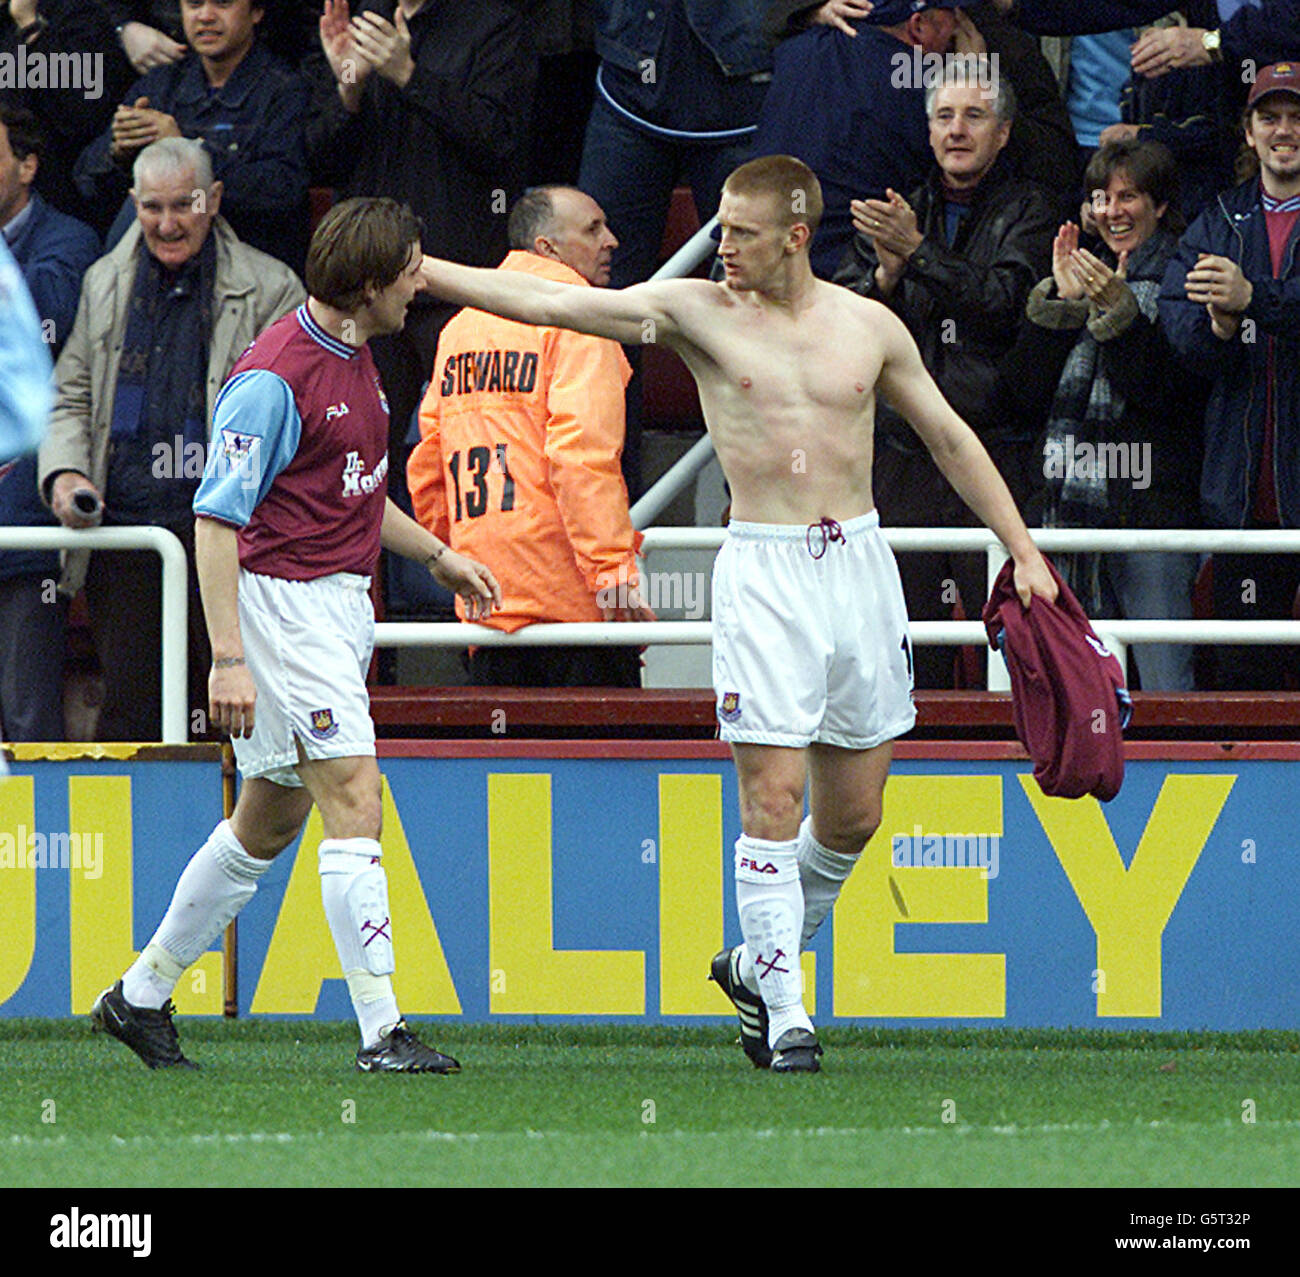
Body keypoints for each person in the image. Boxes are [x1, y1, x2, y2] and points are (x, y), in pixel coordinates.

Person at [415, 154, 1056, 1072]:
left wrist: (1023, 551)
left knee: (854, 816)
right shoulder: (693, 313)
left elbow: (951, 436)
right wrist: (426, 269)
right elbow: (557, 306)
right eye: (718, 227)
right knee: (771, 797)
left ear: (797, 236)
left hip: (859, 566)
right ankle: (789, 1011)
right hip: (763, 571)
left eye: (741, 232)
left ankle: (755, 962)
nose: (721, 246)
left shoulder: (867, 325)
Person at [90, 196, 501, 1072]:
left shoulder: (358, 354)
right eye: (409, 271)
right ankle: (383, 1032)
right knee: (357, 799)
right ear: (366, 286)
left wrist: (437, 554)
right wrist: (229, 658)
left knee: (265, 824)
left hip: (336, 609)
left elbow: (353, 486)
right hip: (284, 609)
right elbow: (214, 520)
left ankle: (139, 994)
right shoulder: (274, 378)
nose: (419, 284)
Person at [39, 137, 304, 742]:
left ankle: (236, 838)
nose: (166, 223)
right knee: (132, 715)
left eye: (182, 205)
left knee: (232, 718)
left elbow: (294, 419)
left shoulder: (272, 287)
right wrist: (65, 474)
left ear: (213, 200)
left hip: (231, 540)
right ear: (132, 203)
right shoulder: (103, 281)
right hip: (128, 534)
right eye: (151, 207)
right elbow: (69, 395)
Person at [834, 60, 1055, 687]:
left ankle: (1014, 764)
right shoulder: (898, 212)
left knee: (1013, 643)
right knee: (907, 640)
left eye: (974, 116)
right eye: (944, 116)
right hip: (902, 458)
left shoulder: (1032, 209)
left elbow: (1002, 305)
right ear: (929, 131)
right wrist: (886, 276)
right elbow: (850, 332)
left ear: (1004, 132)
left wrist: (919, 254)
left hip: (994, 450)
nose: (957, 130)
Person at [407, 185, 654, 687]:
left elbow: (428, 464)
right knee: (597, 766)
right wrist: (613, 578)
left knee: (507, 764)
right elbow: (581, 456)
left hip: (487, 608)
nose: (612, 240)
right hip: (575, 614)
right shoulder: (583, 318)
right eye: (592, 229)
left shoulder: (458, 329)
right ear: (546, 246)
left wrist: (455, 565)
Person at [1024, 138, 1205, 691]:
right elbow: (1023, 394)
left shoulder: (1187, 274)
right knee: (1076, 689)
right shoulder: (1083, 275)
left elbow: (1170, 394)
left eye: (1129, 197)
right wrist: (1059, 303)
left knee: (1165, 683)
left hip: (1152, 515)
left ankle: (1181, 776)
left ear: (1161, 206)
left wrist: (1121, 315)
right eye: (1101, 197)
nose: (1112, 211)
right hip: (1069, 517)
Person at [1160, 62, 1300, 690]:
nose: (1284, 130)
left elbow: (1267, 301)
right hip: (1243, 501)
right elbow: (1178, 327)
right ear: (1247, 133)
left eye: (1297, 118)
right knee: (1248, 680)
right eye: (1269, 117)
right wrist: (1217, 328)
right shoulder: (1216, 217)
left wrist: (1254, 299)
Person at [74, 0, 310, 270]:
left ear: (256, 11)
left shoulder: (284, 89)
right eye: (194, 4)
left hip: (246, 272)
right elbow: (86, 182)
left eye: (223, 4)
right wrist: (118, 152)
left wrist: (185, 148)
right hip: (157, 270)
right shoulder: (160, 84)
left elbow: (284, 191)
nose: (206, 16)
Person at [0, 106, 99, 742]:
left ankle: (26, 844)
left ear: (28, 165)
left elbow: (42, 320)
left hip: (21, 533)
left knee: (25, 720)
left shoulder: (69, 244)